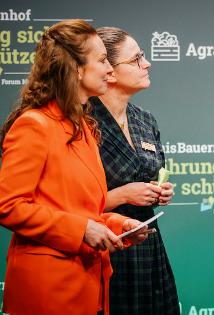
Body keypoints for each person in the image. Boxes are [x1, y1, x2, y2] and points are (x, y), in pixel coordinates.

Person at [0, 19, 149, 315]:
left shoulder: (83, 127)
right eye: (103, 60)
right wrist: (81, 230)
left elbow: (82, 209)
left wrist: (120, 226)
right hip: (48, 292)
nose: (110, 69)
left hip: (91, 285)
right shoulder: (34, 125)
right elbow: (9, 205)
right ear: (77, 69)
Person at [90, 27, 180, 315]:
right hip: (104, 247)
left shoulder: (145, 120)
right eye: (137, 59)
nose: (147, 63)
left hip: (148, 245)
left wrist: (160, 191)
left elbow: (155, 173)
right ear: (110, 71)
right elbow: (67, 204)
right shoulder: (83, 122)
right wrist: (121, 195)